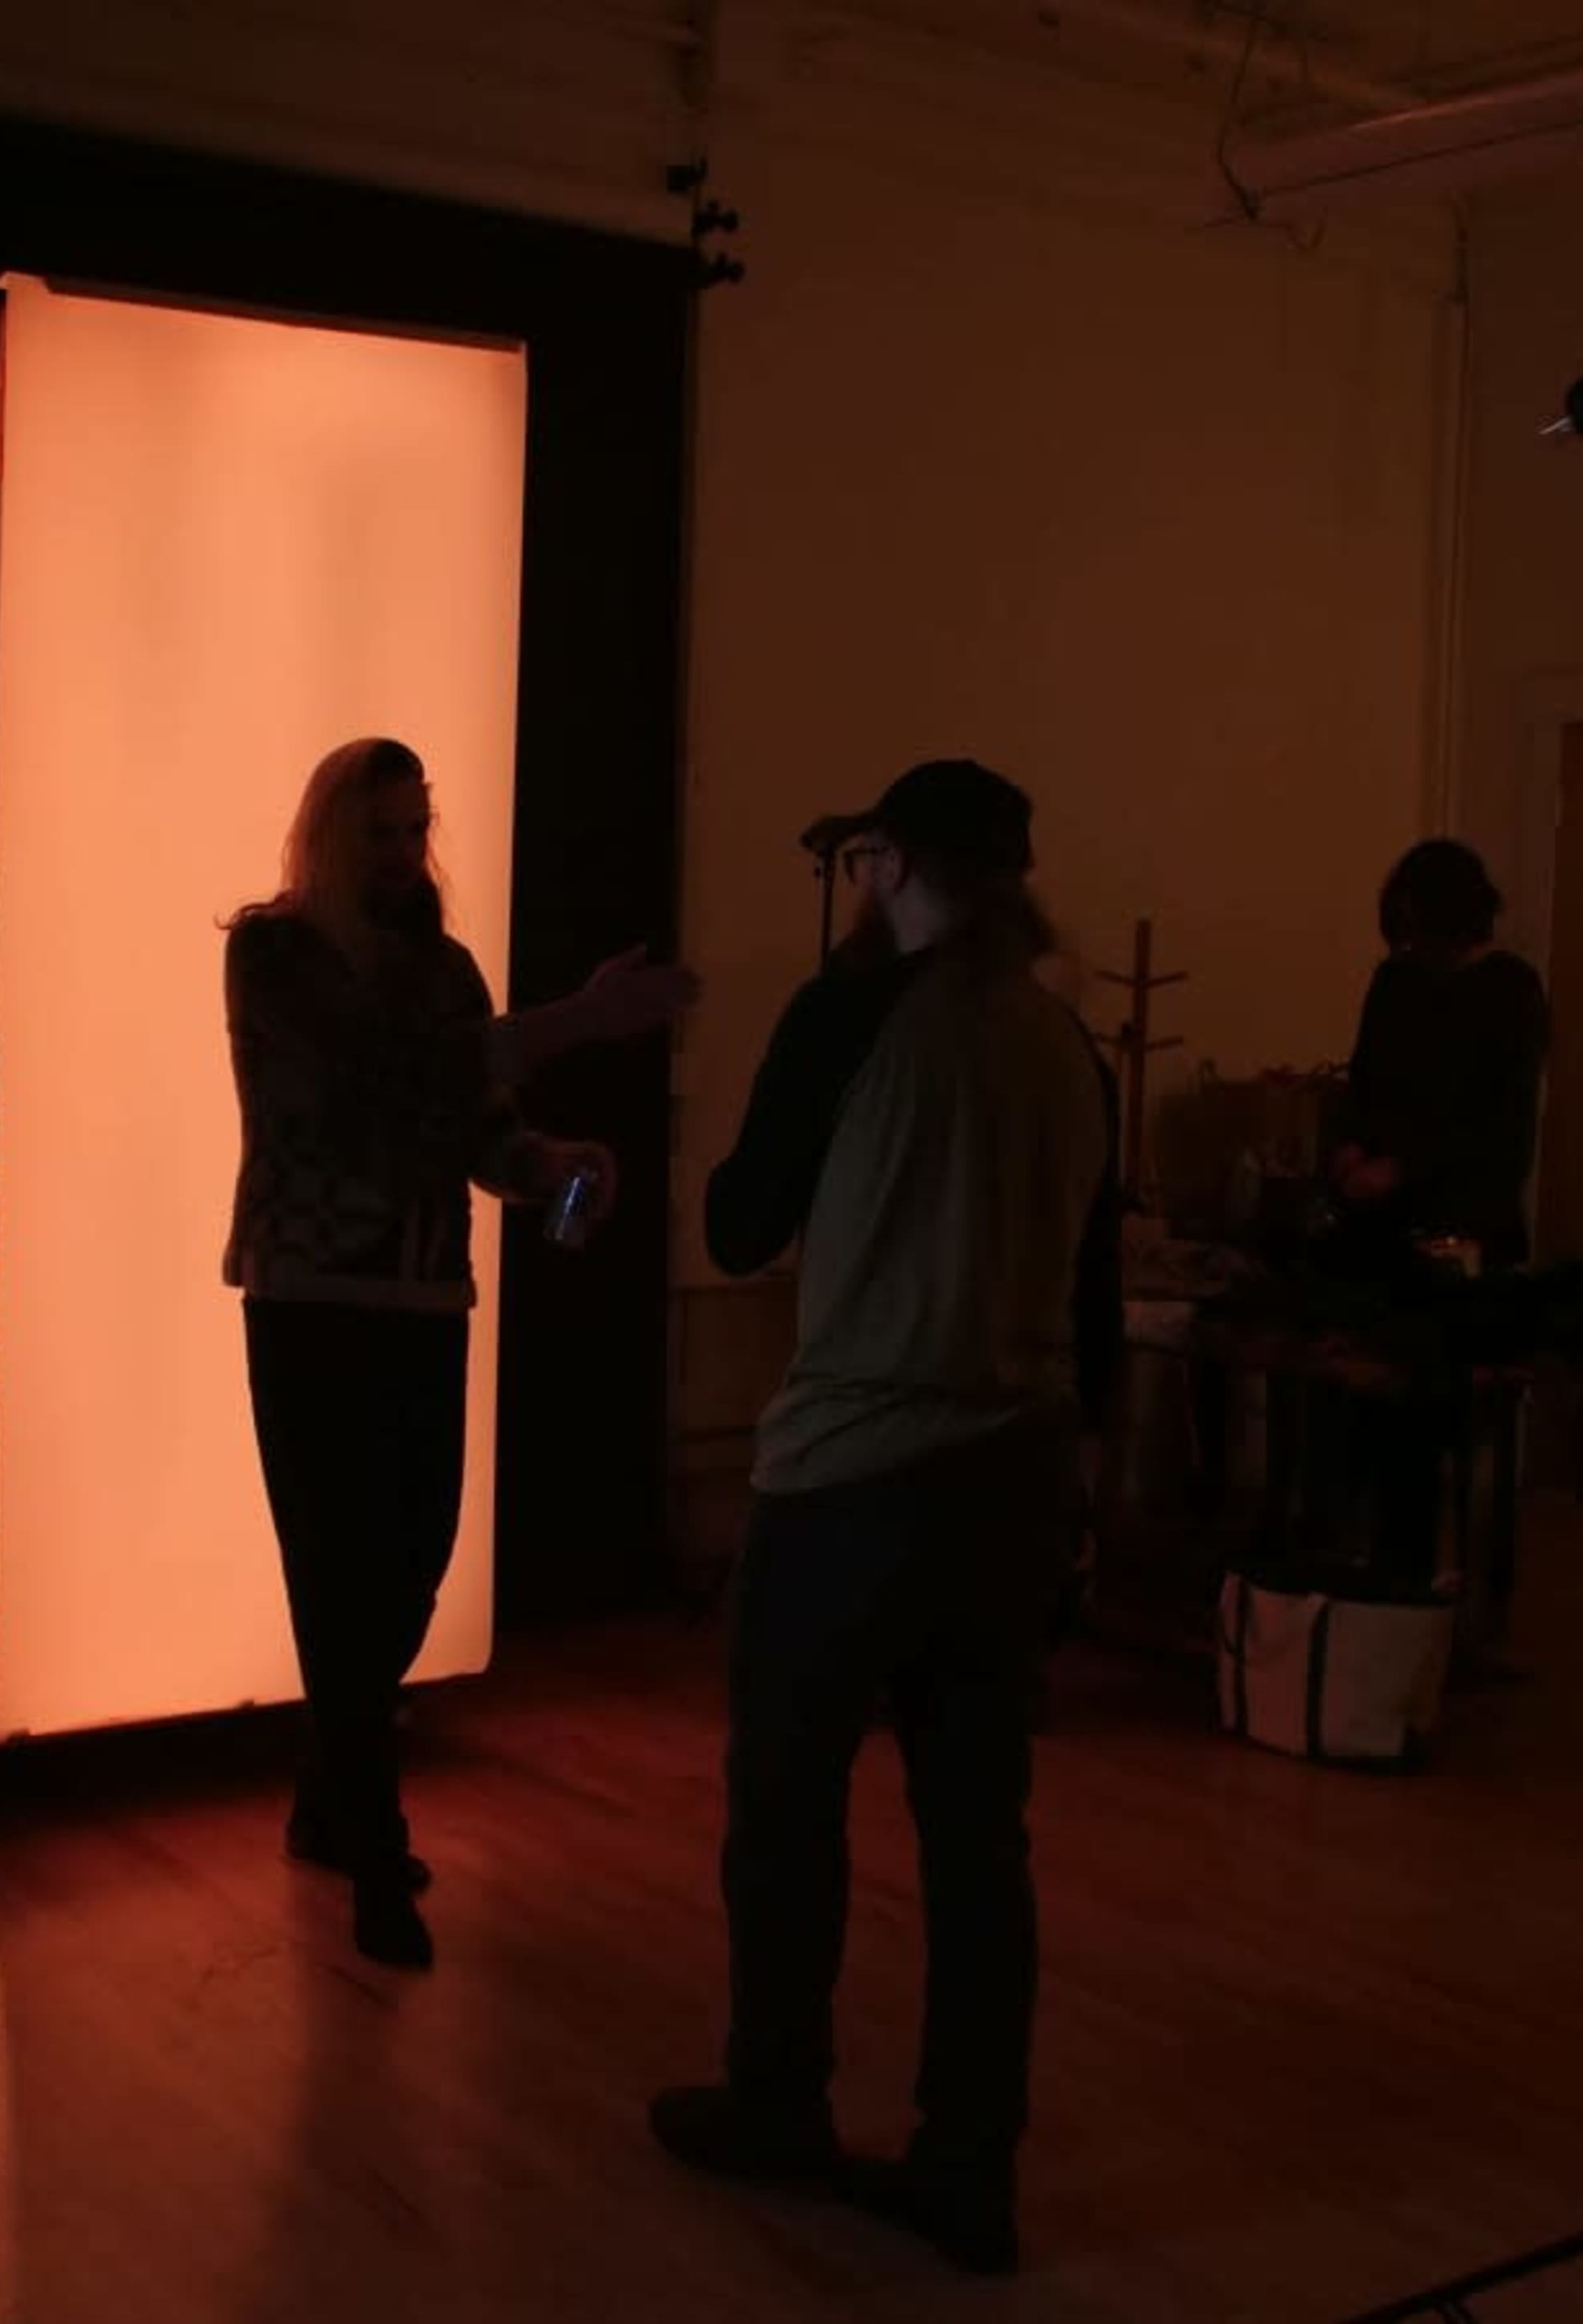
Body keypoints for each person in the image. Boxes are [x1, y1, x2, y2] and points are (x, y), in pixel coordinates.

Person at [649, 758, 1110, 2277]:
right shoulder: (1067, 1046)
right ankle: (970, 2169)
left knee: (787, 1808)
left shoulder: (847, 1018)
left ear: (890, 868)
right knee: (981, 1841)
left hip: (853, 1475)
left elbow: (736, 1222)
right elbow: (1087, 1295)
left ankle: (779, 2099)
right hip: (1014, 1476)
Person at [222, 735, 695, 1970]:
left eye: (414, 828)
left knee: (412, 1563)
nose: (402, 852)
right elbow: (368, 1086)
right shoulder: (275, 954)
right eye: (379, 831)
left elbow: (476, 1129)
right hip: (315, 1300)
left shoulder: (447, 970)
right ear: (329, 835)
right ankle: (374, 1852)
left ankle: (333, 1800)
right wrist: (578, 1021)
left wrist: (551, 1174)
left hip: (424, 1300)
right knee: (339, 1574)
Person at [1330, 839, 1551, 1271]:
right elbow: (1364, 1080)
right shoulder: (1396, 981)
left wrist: (1399, 1169)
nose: (1410, 947)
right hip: (1381, 1226)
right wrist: (1352, 1144)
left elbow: (1501, 1129)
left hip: (1465, 1225)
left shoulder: (1511, 991)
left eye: (1419, 932)